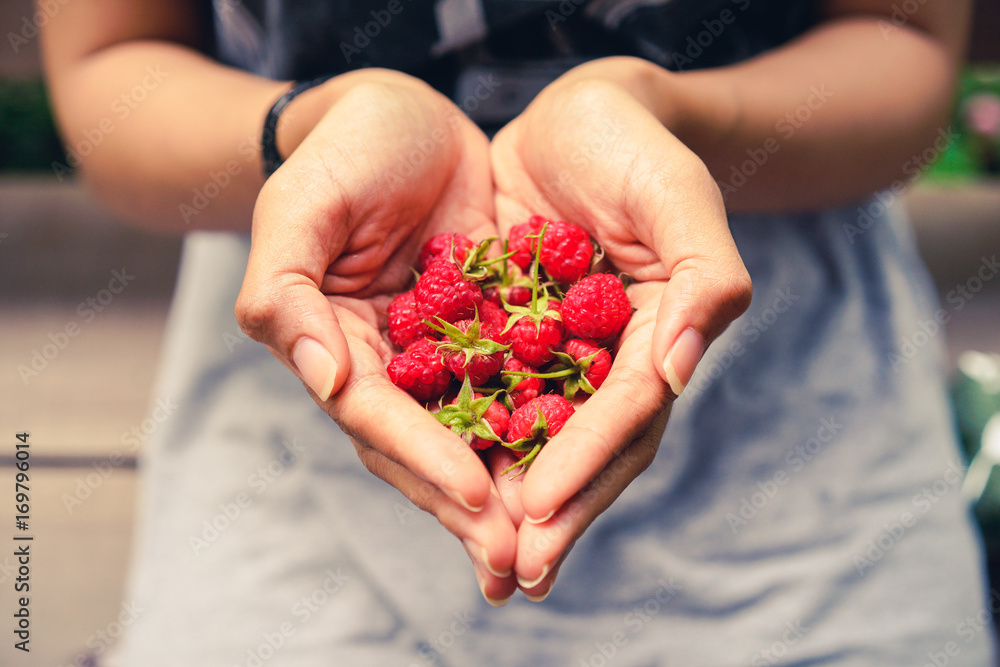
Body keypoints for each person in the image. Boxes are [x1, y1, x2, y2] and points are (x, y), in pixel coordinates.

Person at [41, 0, 995, 664]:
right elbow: (108, 71)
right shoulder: (441, 314)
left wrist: (669, 114)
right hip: (321, 297)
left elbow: (900, 42)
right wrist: (317, 126)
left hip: (787, 354)